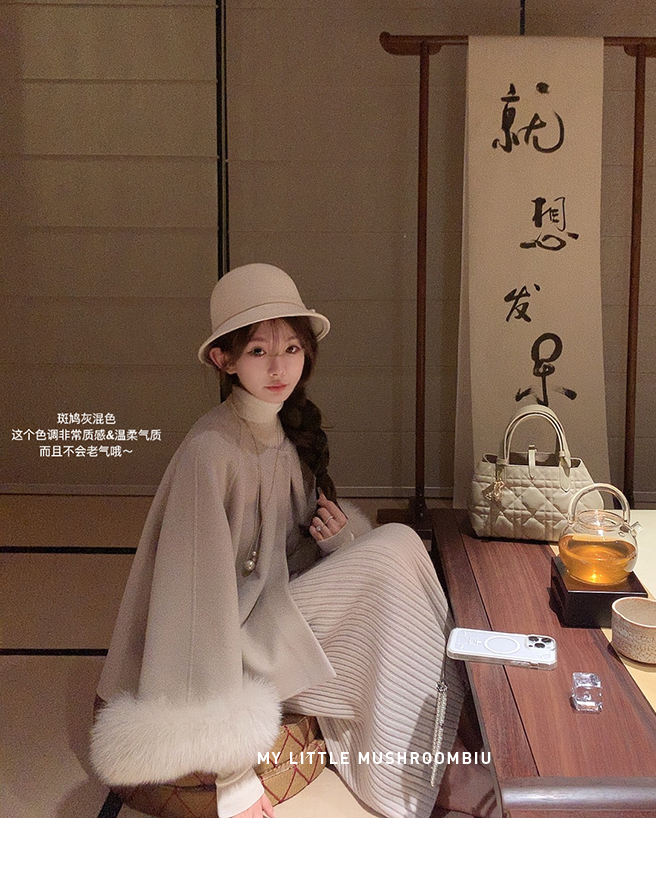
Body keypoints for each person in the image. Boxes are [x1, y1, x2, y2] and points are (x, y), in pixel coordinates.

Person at [90, 263, 477, 818]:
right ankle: (429, 772)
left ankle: (444, 738)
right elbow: (193, 610)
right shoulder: (210, 452)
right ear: (223, 360)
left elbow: (291, 561)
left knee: (399, 547)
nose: (279, 367)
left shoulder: (284, 434)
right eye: (258, 351)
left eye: (291, 348)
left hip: (272, 619)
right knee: (392, 553)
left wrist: (340, 545)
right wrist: (234, 777)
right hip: (229, 650)